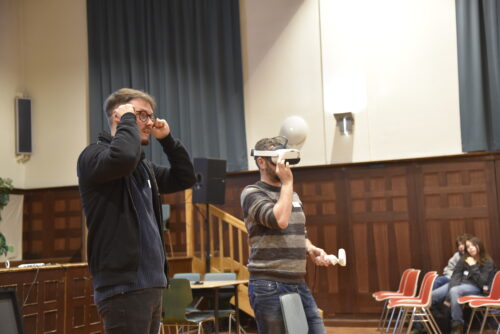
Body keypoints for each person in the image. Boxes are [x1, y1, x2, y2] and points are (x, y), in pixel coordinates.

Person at [77, 88, 196, 334]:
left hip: (151, 285)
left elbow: (184, 177)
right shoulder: (93, 156)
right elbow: (122, 157)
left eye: (151, 116)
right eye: (141, 115)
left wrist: (167, 140)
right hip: (123, 286)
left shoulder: (143, 167)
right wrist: (129, 119)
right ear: (118, 116)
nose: (150, 122)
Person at [240, 136, 330, 334]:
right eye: (277, 157)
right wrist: (287, 184)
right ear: (262, 161)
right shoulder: (252, 192)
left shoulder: (292, 196)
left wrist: (310, 248)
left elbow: (299, 232)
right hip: (268, 284)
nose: (284, 163)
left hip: (298, 282)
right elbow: (279, 220)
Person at [412, 236, 495, 334]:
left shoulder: (488, 262)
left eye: (473, 245)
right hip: (457, 284)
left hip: (475, 288)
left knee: (455, 291)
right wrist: (448, 298)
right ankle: (419, 327)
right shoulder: (464, 259)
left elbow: (482, 283)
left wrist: (473, 266)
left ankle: (457, 326)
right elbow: (455, 277)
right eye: (468, 246)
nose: (470, 248)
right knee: (430, 296)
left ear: (479, 246)